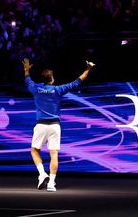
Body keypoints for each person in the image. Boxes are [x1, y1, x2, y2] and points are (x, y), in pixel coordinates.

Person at [23, 58, 95, 192]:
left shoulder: (36, 89)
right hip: (55, 126)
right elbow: (77, 81)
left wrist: (26, 69)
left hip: (41, 125)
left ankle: (42, 173)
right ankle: (51, 183)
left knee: (34, 150)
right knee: (54, 154)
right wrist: (88, 69)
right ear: (52, 79)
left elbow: (27, 79)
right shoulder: (58, 90)